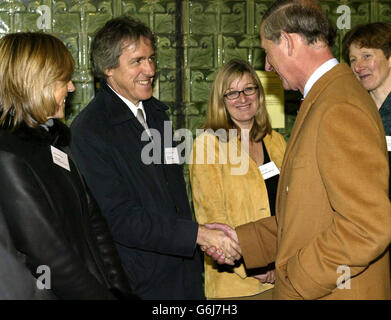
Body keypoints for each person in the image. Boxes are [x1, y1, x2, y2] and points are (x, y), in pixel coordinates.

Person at [205, 0, 391, 299]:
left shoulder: (338, 107)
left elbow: (366, 229)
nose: (267, 66)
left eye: (268, 52)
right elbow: (307, 214)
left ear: (289, 42)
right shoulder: (325, 98)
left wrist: (295, 282)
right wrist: (242, 240)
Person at [70, 16, 241, 300]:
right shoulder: (90, 132)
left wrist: (199, 233)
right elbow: (119, 218)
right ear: (108, 68)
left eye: (151, 58)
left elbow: (173, 197)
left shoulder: (157, 114)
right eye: (137, 61)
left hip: (185, 274)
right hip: (140, 284)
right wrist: (197, 235)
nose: (150, 69)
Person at [0, 32, 135, 300]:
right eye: (64, 80)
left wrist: (120, 291)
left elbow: (96, 226)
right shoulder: (9, 153)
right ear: (36, 82)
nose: (72, 88)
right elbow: (48, 255)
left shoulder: (54, 143)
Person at [190, 59, 286, 299]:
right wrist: (254, 264)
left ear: (259, 93)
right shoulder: (208, 145)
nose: (242, 99)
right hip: (236, 284)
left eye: (249, 89)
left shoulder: (276, 141)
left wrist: (280, 262)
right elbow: (213, 221)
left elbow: (292, 207)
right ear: (220, 102)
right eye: (232, 93)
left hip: (283, 276)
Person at [342, 21, 391, 271]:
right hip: (364, 234)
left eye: (367, 56)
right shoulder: (352, 112)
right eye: (352, 60)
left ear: (390, 58)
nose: (358, 66)